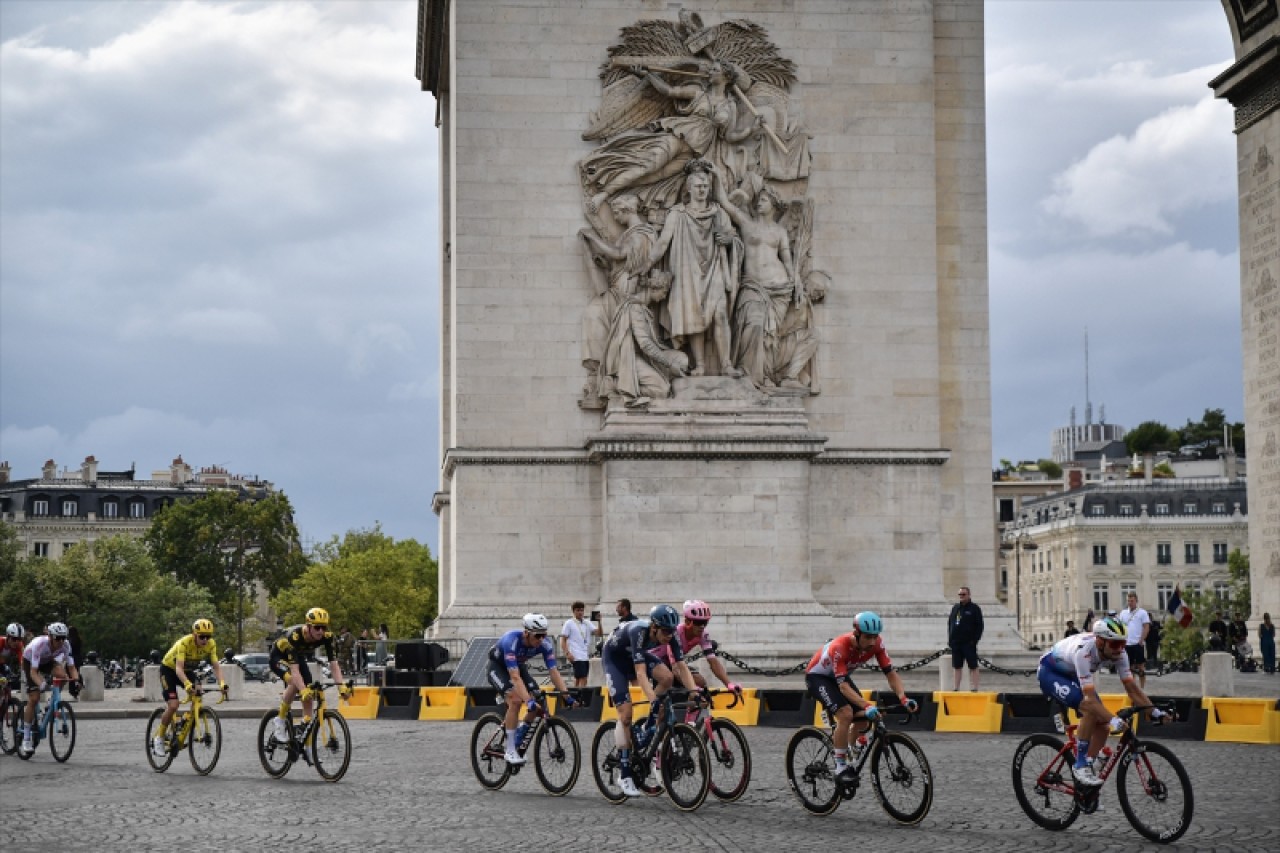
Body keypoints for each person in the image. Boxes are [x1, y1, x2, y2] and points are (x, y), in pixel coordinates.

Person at [580, 60, 761, 214]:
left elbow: (729, 136)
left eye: (715, 70)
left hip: (694, 152)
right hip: (679, 136)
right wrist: (648, 75)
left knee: (655, 177)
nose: (710, 72)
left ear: (726, 77)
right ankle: (602, 195)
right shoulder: (698, 93)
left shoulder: (731, 106)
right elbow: (668, 91)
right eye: (711, 69)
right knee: (647, 166)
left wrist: (751, 129)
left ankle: (616, 192)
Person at [1038, 617, 1166, 787]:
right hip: (1051, 672)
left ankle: (1086, 776)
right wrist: (1115, 720)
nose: (1119, 649)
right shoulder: (1084, 651)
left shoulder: (1120, 653)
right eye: (1114, 645)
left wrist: (1155, 712)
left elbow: (1132, 689)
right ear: (1100, 642)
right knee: (1090, 709)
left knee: (1103, 726)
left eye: (1122, 644)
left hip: (1072, 674)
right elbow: (1090, 700)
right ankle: (1080, 765)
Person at [647, 159, 743, 379]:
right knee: (694, 318)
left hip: (715, 268)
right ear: (688, 188)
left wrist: (728, 241)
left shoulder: (718, 212)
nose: (702, 190)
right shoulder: (677, 213)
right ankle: (699, 365)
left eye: (706, 186)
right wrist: (643, 266)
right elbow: (662, 244)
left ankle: (726, 364)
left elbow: (734, 239)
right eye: (698, 186)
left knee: (719, 314)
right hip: (687, 271)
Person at [601, 604, 701, 797]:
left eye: (672, 631)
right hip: (615, 660)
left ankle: (648, 725)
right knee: (626, 716)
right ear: (654, 627)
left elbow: (681, 666)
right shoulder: (639, 632)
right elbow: (640, 673)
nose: (669, 635)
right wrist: (653, 699)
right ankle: (625, 774)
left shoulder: (670, 636)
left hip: (634, 656)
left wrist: (694, 692)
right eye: (665, 631)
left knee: (668, 677)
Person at [804, 611, 918, 780]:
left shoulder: (877, 644)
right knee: (846, 714)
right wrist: (866, 705)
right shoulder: (840, 647)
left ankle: (850, 753)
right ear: (856, 634)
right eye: (867, 637)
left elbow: (890, 673)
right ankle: (840, 767)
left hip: (839, 677)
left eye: (875, 637)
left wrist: (903, 697)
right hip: (818, 678)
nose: (872, 642)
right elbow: (843, 687)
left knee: (864, 719)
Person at [486, 614, 576, 766]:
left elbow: (553, 672)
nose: (541, 639)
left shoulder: (545, 644)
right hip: (497, 668)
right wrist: (527, 700)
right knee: (516, 700)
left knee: (537, 699)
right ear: (526, 633)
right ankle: (510, 750)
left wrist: (567, 696)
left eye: (544, 635)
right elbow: (514, 677)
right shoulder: (511, 641)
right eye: (538, 635)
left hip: (518, 666)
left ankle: (518, 736)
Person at [597, 268, 690, 406]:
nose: (664, 297)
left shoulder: (643, 308)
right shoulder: (635, 308)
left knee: (683, 360)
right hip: (630, 358)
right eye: (664, 292)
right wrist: (669, 364)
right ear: (653, 288)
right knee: (662, 389)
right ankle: (615, 385)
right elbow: (645, 344)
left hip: (644, 356)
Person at [267, 608, 353, 743]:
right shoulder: (295, 636)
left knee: (310, 691)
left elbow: (334, 664)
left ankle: (306, 743)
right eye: (317, 627)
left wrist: (341, 687)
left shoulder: (327, 637)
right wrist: (302, 690)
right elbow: (295, 671)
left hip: (297, 656)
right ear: (308, 626)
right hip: (278, 657)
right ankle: (280, 720)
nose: (321, 631)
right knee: (295, 683)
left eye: (323, 627)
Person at [151, 619, 228, 757]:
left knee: (198, 692)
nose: (205, 640)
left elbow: (216, 666)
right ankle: (159, 737)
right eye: (202, 636)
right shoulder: (184, 643)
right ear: (194, 634)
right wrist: (187, 684)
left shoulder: (211, 645)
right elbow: (178, 669)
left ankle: (186, 719)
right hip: (169, 670)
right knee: (174, 705)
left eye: (208, 636)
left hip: (187, 671)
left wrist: (222, 683)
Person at [649, 600, 742, 699]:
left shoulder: (703, 634)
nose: (702, 627)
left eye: (705, 623)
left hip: (672, 664)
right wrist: (693, 689)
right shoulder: (676, 633)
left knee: (700, 682)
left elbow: (713, 662)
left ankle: (690, 713)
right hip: (656, 663)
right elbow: (676, 669)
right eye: (698, 622)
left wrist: (729, 684)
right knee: (669, 691)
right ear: (687, 621)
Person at [19, 622, 81, 756]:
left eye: (63, 638)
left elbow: (71, 667)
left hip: (47, 661)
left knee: (62, 675)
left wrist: (76, 681)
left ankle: (51, 703)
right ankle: (26, 738)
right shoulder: (39, 644)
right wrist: (42, 685)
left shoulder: (66, 645)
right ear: (50, 637)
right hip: (30, 662)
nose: (61, 641)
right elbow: (34, 672)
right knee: (34, 698)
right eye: (58, 638)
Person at [948, 586, 984, 691]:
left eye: (963, 594)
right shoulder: (955, 608)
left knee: (973, 666)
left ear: (968, 595)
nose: (961, 596)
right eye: (960, 594)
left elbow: (979, 626)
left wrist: (974, 640)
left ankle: (975, 687)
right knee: (957, 666)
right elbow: (950, 623)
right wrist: (950, 639)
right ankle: (956, 687)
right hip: (956, 642)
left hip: (969, 643)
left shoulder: (974, 608)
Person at [559, 602, 602, 688]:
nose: (580, 612)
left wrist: (599, 622)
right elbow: (563, 639)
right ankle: (581, 697)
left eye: (582, 610)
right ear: (573, 611)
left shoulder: (587, 623)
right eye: (578, 610)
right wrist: (567, 653)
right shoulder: (569, 623)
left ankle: (575, 696)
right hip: (576, 655)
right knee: (583, 678)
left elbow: (599, 633)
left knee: (578, 678)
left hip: (585, 655)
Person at [1117, 592, 1151, 689]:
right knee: (1129, 668)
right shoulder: (1123, 613)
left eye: (1132, 601)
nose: (1130, 603)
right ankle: (1133, 688)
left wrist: (1141, 640)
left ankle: (1142, 688)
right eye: (1128, 601)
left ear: (1136, 601)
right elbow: (1120, 627)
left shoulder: (1142, 613)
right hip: (1127, 644)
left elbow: (1146, 627)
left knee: (1140, 667)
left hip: (1137, 643)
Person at [1, 623, 26, 695]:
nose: (16, 642)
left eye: (19, 639)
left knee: (8, 683)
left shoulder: (19, 645)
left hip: (3, 665)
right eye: (14, 639)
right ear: (8, 636)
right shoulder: (1, 642)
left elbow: (23, 662)